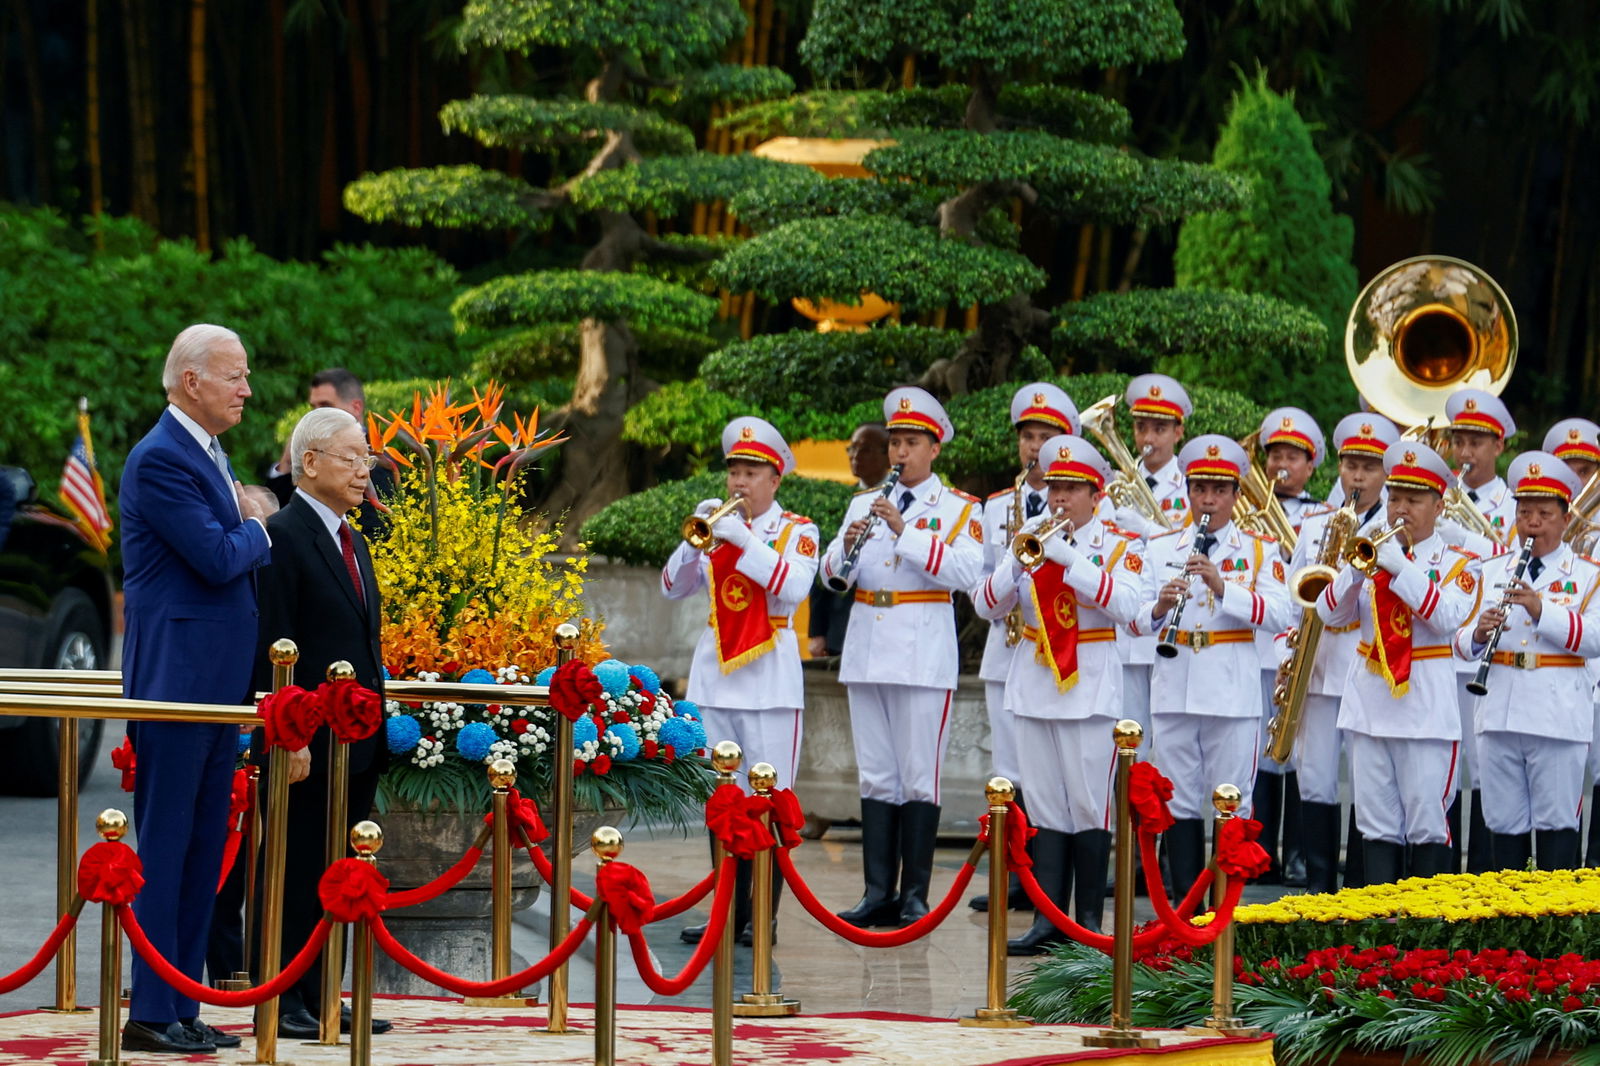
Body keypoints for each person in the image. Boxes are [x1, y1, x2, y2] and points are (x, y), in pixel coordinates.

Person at [118, 323, 272, 1055]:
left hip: (214, 685)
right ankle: (150, 1008)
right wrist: (259, 525)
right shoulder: (160, 459)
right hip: (176, 682)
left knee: (204, 850)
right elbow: (216, 556)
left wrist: (245, 520)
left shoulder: (207, 450)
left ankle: (181, 1002)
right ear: (191, 382)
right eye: (234, 376)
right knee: (169, 844)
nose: (246, 389)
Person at [251, 407, 392, 1038]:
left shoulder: (353, 537)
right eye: (352, 457)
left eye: (366, 458)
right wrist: (290, 734)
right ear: (310, 463)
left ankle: (321, 993)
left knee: (336, 871)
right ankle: (283, 998)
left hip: (355, 741)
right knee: (296, 868)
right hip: (306, 740)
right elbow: (274, 644)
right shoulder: (282, 535)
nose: (366, 470)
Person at [819, 386, 983, 927]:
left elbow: (965, 575)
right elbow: (830, 573)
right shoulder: (861, 502)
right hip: (868, 645)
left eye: (911, 443)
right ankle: (875, 893)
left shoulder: (959, 508)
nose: (899, 453)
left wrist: (903, 531)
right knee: (876, 775)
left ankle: (914, 894)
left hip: (920, 649)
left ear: (934, 449)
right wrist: (844, 548)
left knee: (918, 776)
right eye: (894, 442)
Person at [973, 433, 1142, 952]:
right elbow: (985, 605)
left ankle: (1087, 922)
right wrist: (1016, 563)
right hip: (1034, 680)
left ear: (1097, 494)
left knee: (1089, 807)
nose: (1061, 498)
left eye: (1073, 488)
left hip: (1089, 686)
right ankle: (1048, 922)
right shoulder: (1031, 536)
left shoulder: (1119, 544)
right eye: (1055, 488)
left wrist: (1071, 560)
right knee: (1046, 808)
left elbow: (1130, 607)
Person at [662, 417, 819, 944]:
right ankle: (726, 909)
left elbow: (792, 588)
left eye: (751, 472)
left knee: (769, 800)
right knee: (722, 801)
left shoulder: (799, 530)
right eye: (734, 471)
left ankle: (762, 917)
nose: (739, 483)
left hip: (770, 680)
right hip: (715, 677)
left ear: (776, 479)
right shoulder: (716, 523)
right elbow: (671, 588)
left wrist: (743, 540)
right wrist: (695, 544)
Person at [1131, 434, 1291, 903]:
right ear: (1187, 490)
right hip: (1175, 684)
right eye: (1200, 487)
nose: (1208, 499)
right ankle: (1184, 912)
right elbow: (1135, 619)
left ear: (1237, 495)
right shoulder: (1160, 545)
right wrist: (1159, 608)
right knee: (1177, 800)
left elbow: (1281, 614)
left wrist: (1224, 588)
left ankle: (1225, 912)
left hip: (1230, 690)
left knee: (1231, 800)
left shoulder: (1260, 549)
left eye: (1220, 490)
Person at [1317, 441, 1483, 884]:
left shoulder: (1460, 562)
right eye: (1395, 498)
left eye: (1413, 499)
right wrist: (1353, 572)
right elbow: (1327, 615)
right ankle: (1381, 936)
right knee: (1375, 825)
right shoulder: (1371, 551)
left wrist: (1400, 568)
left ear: (1438, 504)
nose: (1400, 508)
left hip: (1425, 710)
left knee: (1427, 822)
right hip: (1369, 706)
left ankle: (1424, 936)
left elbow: (1448, 617)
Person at [1453, 451, 1600, 870]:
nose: (1532, 522)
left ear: (1565, 518)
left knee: (1556, 823)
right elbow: (1458, 642)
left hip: (1555, 715)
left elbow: (1594, 638)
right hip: (1498, 708)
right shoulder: (1491, 568)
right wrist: (1479, 634)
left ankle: (1554, 929)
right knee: (1504, 822)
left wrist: (1541, 610)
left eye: (1543, 513)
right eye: (1524, 512)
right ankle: (1508, 929)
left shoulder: (1588, 574)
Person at [968, 383, 1078, 915]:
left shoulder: (1079, 508)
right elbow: (988, 579)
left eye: (1046, 437)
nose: (1034, 447)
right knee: (1010, 767)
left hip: (1058, 646)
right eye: (1028, 437)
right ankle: (1014, 874)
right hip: (1007, 646)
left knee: (1050, 773)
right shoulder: (997, 506)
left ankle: (1045, 882)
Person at [1281, 413, 1398, 893]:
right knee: (1315, 779)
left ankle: (1360, 888)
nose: (1356, 476)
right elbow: (1294, 593)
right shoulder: (1315, 526)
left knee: (1370, 784)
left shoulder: (1397, 528)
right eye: (1350, 464)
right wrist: (1288, 653)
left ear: (1386, 474)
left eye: (1368, 467)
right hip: (1322, 662)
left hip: (1372, 664)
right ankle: (1319, 887)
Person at [1443, 387, 1518, 874]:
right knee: (1443, 769)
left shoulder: (1515, 505)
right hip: (1440, 647)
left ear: (1499, 446)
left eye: (1477, 442)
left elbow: (1512, 561)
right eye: (1459, 441)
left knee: (1485, 769)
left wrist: (1462, 537)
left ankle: (1486, 881)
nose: (1465, 453)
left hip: (1490, 647)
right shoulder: (1435, 494)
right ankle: (1441, 877)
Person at [1251, 407, 1327, 887]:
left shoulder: (1323, 515)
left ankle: (1298, 853)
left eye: (1292, 456)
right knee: (1262, 749)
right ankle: (1261, 854)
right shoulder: (1250, 511)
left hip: (1306, 639)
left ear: (1311, 464)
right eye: (1274, 453)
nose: (1282, 463)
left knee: (1300, 751)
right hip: (1260, 642)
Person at [1113, 374, 1192, 736]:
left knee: (1169, 738)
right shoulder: (1117, 485)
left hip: (1172, 621)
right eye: (1141, 428)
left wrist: (1146, 529)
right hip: (1127, 624)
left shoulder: (1194, 486)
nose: (1148, 439)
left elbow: (1191, 545)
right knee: (1128, 737)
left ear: (1178, 433)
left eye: (1159, 429)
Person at [1543, 418, 1600, 866]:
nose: (1578, 481)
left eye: (1585, 471)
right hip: (1563, 671)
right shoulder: (1543, 519)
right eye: (1568, 469)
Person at [265, 368, 394, 530]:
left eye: (326, 405)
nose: (318, 413)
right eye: (314, 407)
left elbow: (376, 526)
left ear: (356, 407)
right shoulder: (311, 448)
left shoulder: (380, 457)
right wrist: (286, 463)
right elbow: (277, 511)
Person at [808, 422, 890, 659]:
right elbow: (821, 568)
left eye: (864, 450)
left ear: (888, 455)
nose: (855, 456)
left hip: (892, 623)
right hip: (841, 626)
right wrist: (818, 631)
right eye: (851, 448)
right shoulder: (840, 500)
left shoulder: (905, 501)